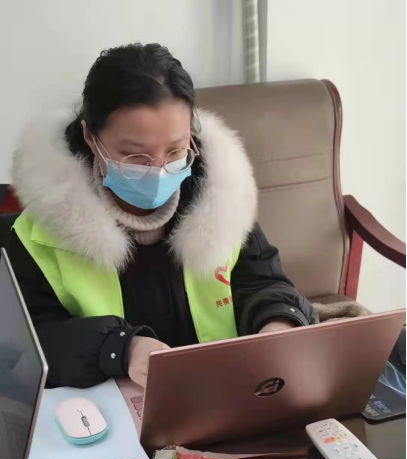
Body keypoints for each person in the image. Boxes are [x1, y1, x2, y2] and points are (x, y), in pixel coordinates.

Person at [7, 43, 319, 390]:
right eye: (135, 156)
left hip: (224, 394)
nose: (158, 170)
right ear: (91, 139)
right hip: (112, 409)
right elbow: (28, 344)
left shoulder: (220, 199)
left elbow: (261, 280)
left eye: (175, 150)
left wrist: (278, 322)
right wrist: (120, 349)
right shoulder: (39, 235)